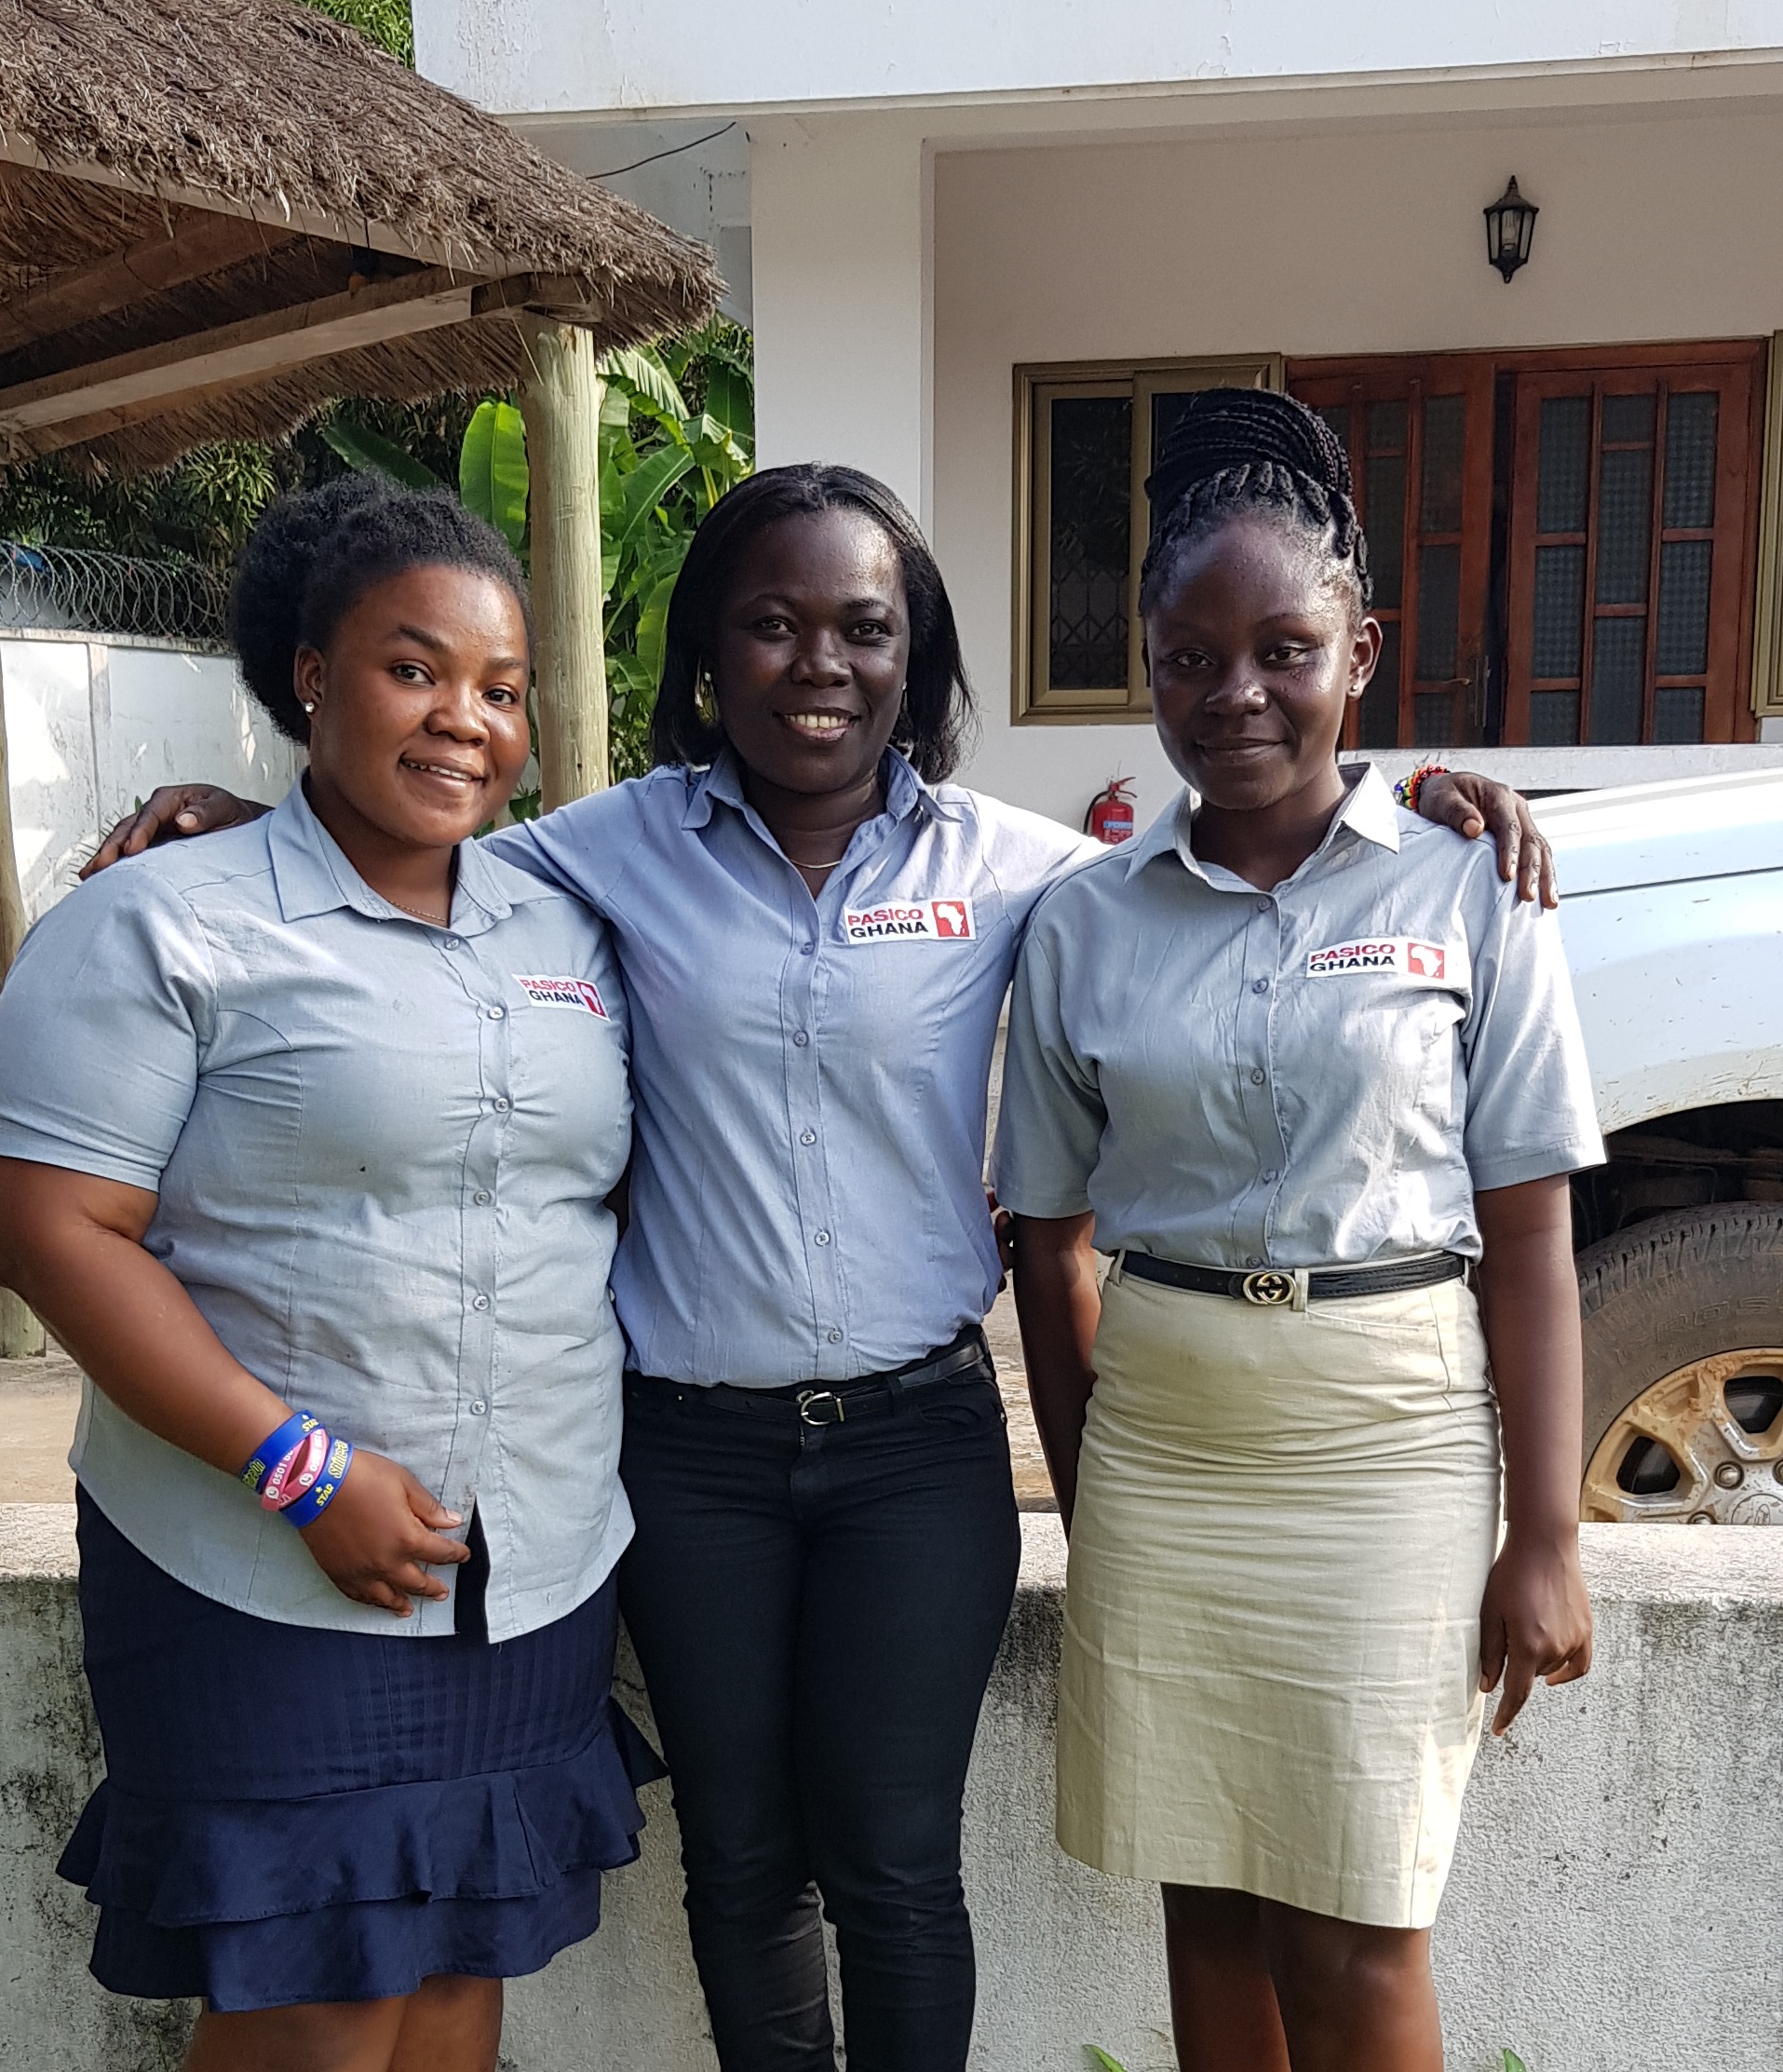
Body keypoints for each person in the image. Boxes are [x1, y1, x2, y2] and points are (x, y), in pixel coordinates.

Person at [83, 463, 1553, 2072]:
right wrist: (246, 820)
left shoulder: (1025, 874)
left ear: (912, 657)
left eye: (865, 626)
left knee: (899, 1866)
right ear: (711, 655)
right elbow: (411, 834)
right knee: (745, 1863)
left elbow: (1232, 850)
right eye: (771, 625)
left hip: (916, 1449)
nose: (821, 663)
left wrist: (1414, 802)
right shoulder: (590, 858)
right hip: (689, 1453)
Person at [0, 480, 656, 2072]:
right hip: (263, 1568)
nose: (464, 722)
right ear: (308, 674)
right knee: (322, 1997)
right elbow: (46, 1226)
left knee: (456, 1978)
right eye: (412, 670)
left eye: (502, 690)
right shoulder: (164, 922)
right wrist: (298, 1465)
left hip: (528, 1568)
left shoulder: (565, 917)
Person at [997, 390, 1603, 2072]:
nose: (1235, 693)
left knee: (1354, 1925)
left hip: (1384, 1442)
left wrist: (1546, 1534)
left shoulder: (1472, 883)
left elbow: (1532, 1236)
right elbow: (1046, 1244)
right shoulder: (1083, 921)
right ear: (1149, 667)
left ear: (1362, 651)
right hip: (1165, 1453)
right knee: (1211, 1909)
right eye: (1190, 657)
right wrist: (1092, 1478)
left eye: (1282, 648)